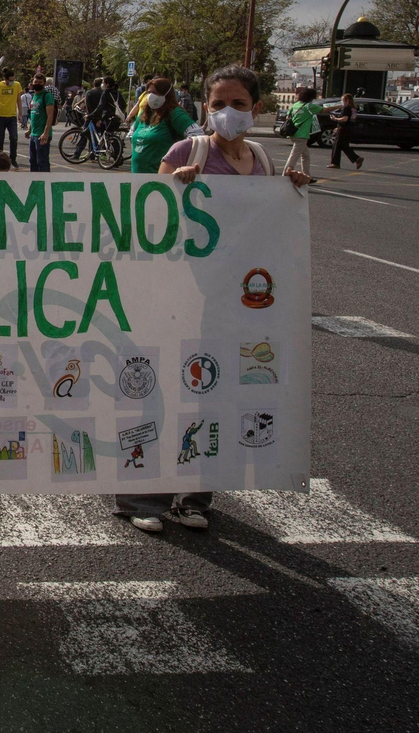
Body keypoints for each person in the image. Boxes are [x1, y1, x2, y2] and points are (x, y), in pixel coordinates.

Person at [121, 66, 307, 534]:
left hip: (233, 304)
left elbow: (266, 233)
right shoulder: (187, 151)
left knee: (214, 396)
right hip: (181, 297)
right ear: (205, 107)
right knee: (164, 390)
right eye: (219, 103)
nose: (228, 112)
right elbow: (151, 222)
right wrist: (174, 185)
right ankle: (142, 498)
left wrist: (290, 195)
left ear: (256, 108)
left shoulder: (262, 161)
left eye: (238, 104)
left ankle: (195, 497)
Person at [129, 77, 199, 174]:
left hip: (161, 179)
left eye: (155, 93)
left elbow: (198, 136)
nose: (150, 96)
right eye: (149, 92)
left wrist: (183, 161)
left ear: (166, 94)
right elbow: (132, 133)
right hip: (136, 178)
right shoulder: (145, 113)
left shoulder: (174, 113)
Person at [283, 87, 326, 181]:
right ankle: (285, 174)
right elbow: (324, 110)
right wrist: (339, 106)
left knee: (305, 156)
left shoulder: (296, 105)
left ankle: (307, 177)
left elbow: (288, 116)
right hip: (302, 135)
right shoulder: (309, 106)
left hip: (293, 133)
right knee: (294, 156)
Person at [0, 68, 23, 166]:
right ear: (5, 79)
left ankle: (13, 159)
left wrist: (20, 114)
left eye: (13, 79)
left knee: (13, 138)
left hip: (12, 116)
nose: (12, 82)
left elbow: (18, 100)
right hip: (0, 116)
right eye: (10, 80)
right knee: (0, 139)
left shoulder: (17, 85)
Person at [27, 72, 57, 173]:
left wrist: (45, 133)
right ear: (32, 82)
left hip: (42, 135)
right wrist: (29, 130)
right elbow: (34, 115)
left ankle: (45, 180)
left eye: (40, 82)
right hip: (33, 134)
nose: (37, 84)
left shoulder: (47, 96)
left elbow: (50, 116)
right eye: (36, 82)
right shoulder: (34, 96)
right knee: (33, 161)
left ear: (44, 84)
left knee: (42, 162)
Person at [326, 92, 363, 171]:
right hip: (349, 128)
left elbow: (345, 119)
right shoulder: (353, 108)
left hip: (343, 129)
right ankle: (357, 159)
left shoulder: (347, 108)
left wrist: (335, 119)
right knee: (344, 146)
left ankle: (335, 163)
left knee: (336, 145)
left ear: (346, 100)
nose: (342, 102)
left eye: (342, 100)